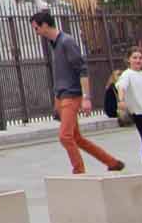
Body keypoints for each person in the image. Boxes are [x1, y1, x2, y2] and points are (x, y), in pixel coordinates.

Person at [32, 9, 124, 174]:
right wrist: (56, 100)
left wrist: (86, 97)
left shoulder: (67, 42)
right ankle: (111, 162)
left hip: (71, 95)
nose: (36, 32)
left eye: (36, 28)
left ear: (45, 25)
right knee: (77, 138)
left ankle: (79, 170)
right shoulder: (55, 44)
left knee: (65, 136)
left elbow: (82, 70)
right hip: (62, 95)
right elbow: (61, 74)